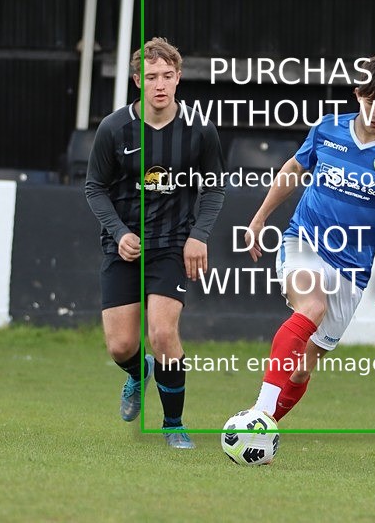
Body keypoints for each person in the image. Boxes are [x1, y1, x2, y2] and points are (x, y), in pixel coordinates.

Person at [245, 55, 375, 421]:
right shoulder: (328, 129)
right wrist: (260, 217)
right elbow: (294, 168)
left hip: (352, 269)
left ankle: (263, 430)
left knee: (302, 369)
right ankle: (258, 413)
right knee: (312, 307)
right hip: (304, 240)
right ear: (358, 94)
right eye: (372, 100)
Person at [85, 37, 225, 448]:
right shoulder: (114, 128)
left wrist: (198, 236)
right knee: (121, 346)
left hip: (172, 245)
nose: (159, 84)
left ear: (178, 77)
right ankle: (137, 371)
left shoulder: (200, 129)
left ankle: (173, 424)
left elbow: (215, 188)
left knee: (163, 334)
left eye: (167, 75)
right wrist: (119, 232)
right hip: (124, 246)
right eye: (150, 77)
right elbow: (94, 188)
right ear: (137, 81)